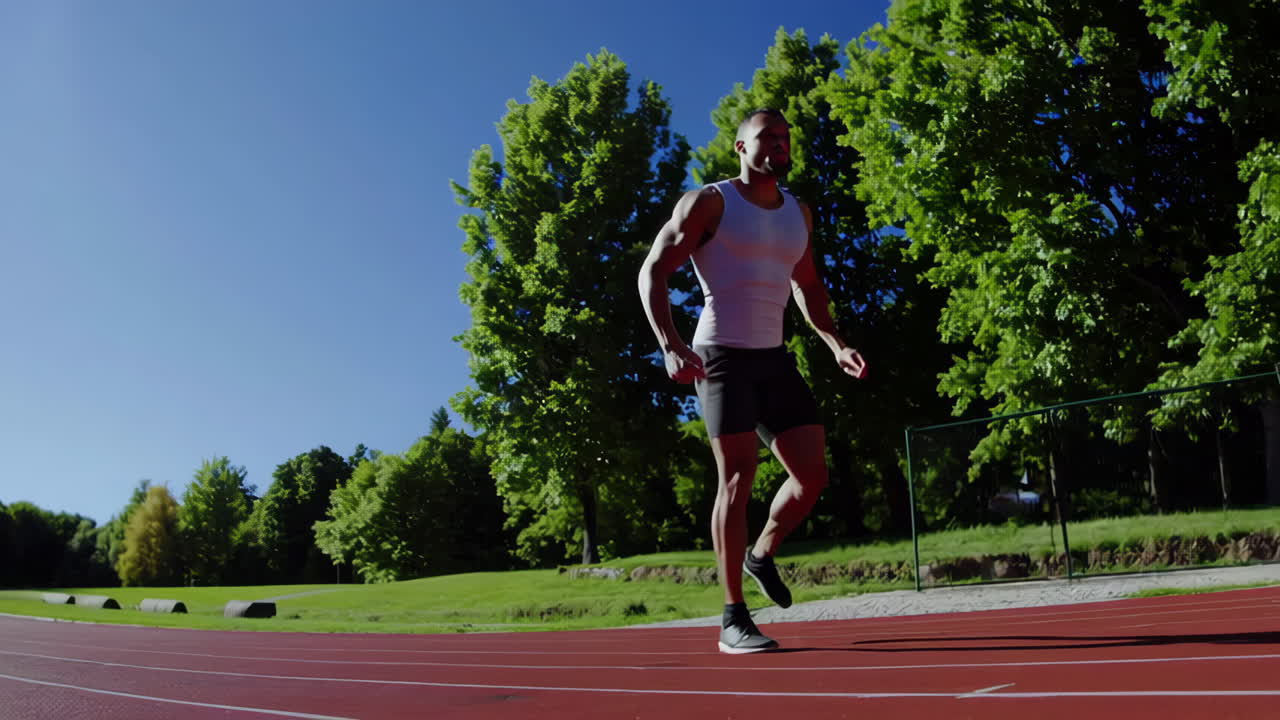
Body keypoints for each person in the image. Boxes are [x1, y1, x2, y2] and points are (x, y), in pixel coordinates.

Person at [638, 108, 868, 654]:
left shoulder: (799, 214)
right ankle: (733, 618)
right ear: (740, 148)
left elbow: (808, 288)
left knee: (812, 476)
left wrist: (835, 344)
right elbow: (653, 270)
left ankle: (761, 553)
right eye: (767, 137)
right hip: (719, 357)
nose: (779, 144)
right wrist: (670, 344)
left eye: (786, 138)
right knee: (738, 479)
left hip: (774, 358)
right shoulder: (709, 203)